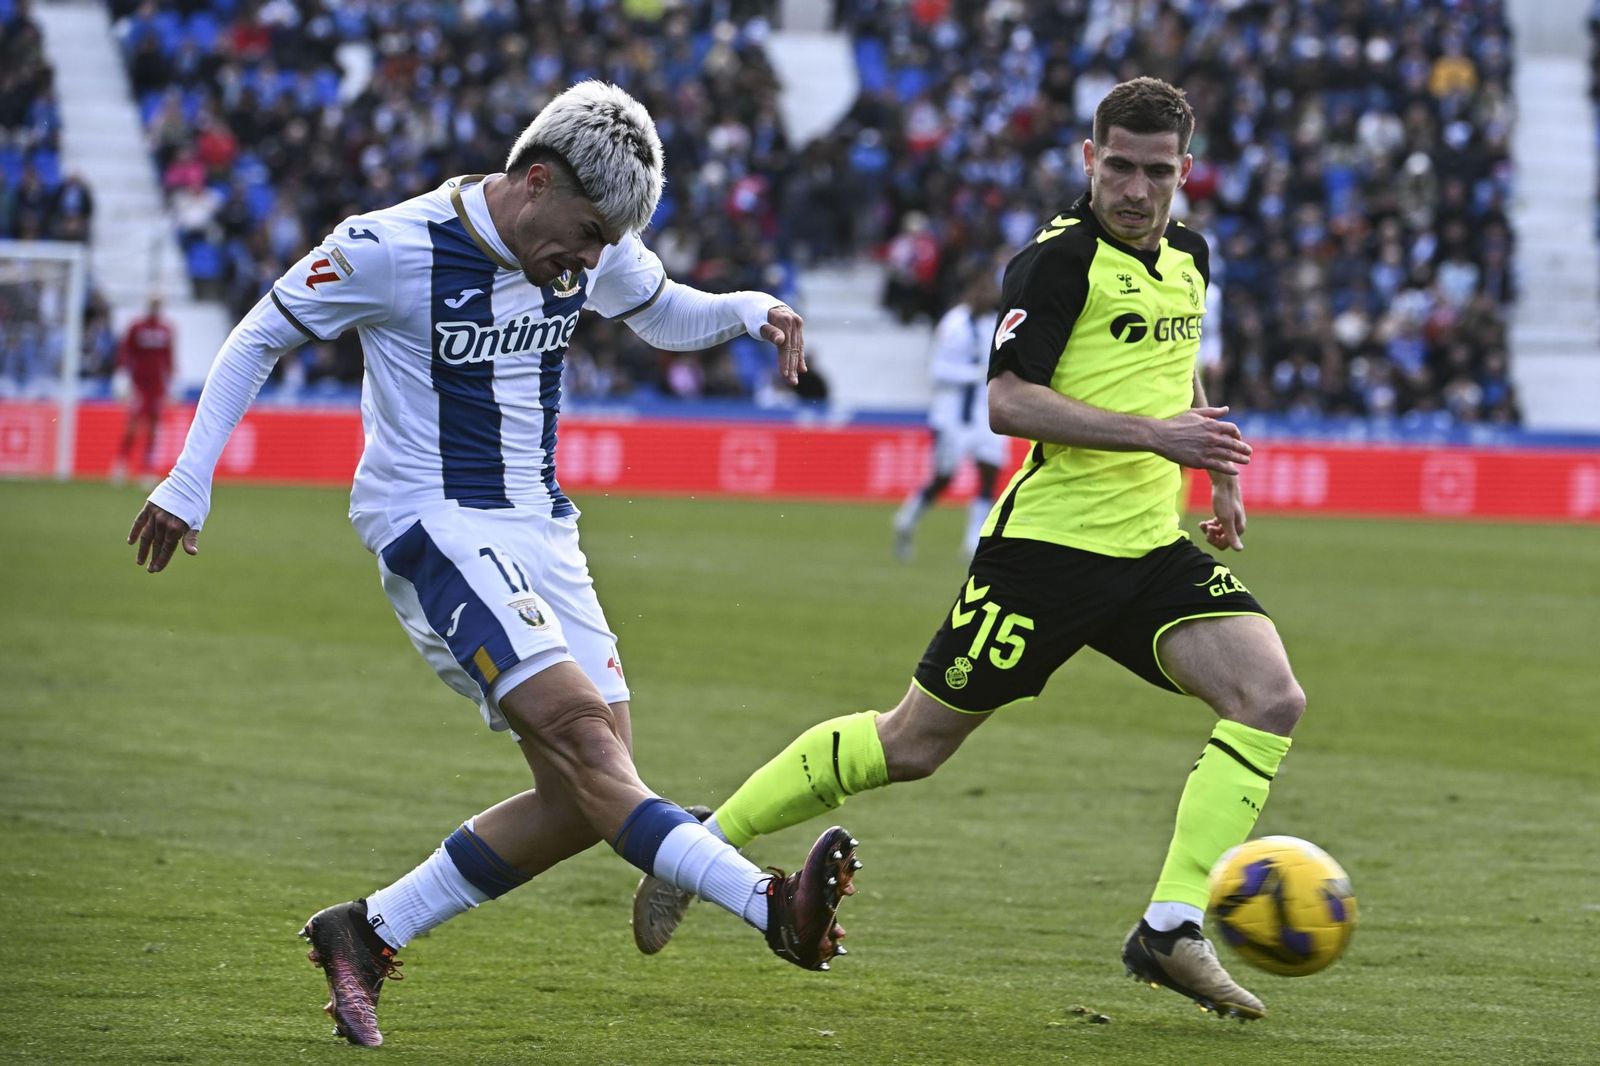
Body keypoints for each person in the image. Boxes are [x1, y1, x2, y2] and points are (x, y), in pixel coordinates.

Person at [124, 81, 862, 1048]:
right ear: (536, 178)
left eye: (605, 245)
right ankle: (770, 905)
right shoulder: (390, 247)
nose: (588, 261)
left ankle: (367, 930)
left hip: (541, 529)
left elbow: (659, 308)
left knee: (590, 793)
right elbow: (262, 330)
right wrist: (189, 478)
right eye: (587, 234)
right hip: (434, 523)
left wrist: (746, 310)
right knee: (589, 752)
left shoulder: (587, 240)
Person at [633, 77, 1305, 1022]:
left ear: (1185, 173)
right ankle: (703, 844)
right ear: (1088, 159)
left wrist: (1217, 469)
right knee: (912, 747)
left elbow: (1173, 373)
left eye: (1157, 173)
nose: (1137, 190)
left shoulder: (1190, 257)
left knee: (1270, 696)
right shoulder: (1056, 263)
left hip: (1153, 551)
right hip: (1045, 556)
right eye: (1119, 166)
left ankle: (1169, 928)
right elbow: (1007, 403)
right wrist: (1160, 440)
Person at [892, 266, 1009, 560]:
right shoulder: (954, 324)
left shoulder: (993, 324)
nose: (988, 294)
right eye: (982, 288)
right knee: (944, 477)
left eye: (990, 288)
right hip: (952, 414)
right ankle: (907, 519)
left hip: (983, 413)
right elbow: (937, 369)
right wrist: (975, 373)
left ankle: (972, 543)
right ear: (970, 291)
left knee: (989, 472)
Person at [110, 295, 174, 486]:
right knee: (132, 425)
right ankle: (121, 464)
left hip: (157, 387)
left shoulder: (166, 330)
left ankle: (146, 469)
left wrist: (171, 382)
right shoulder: (137, 327)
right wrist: (122, 376)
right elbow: (125, 351)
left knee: (153, 427)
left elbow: (168, 357)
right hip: (139, 384)